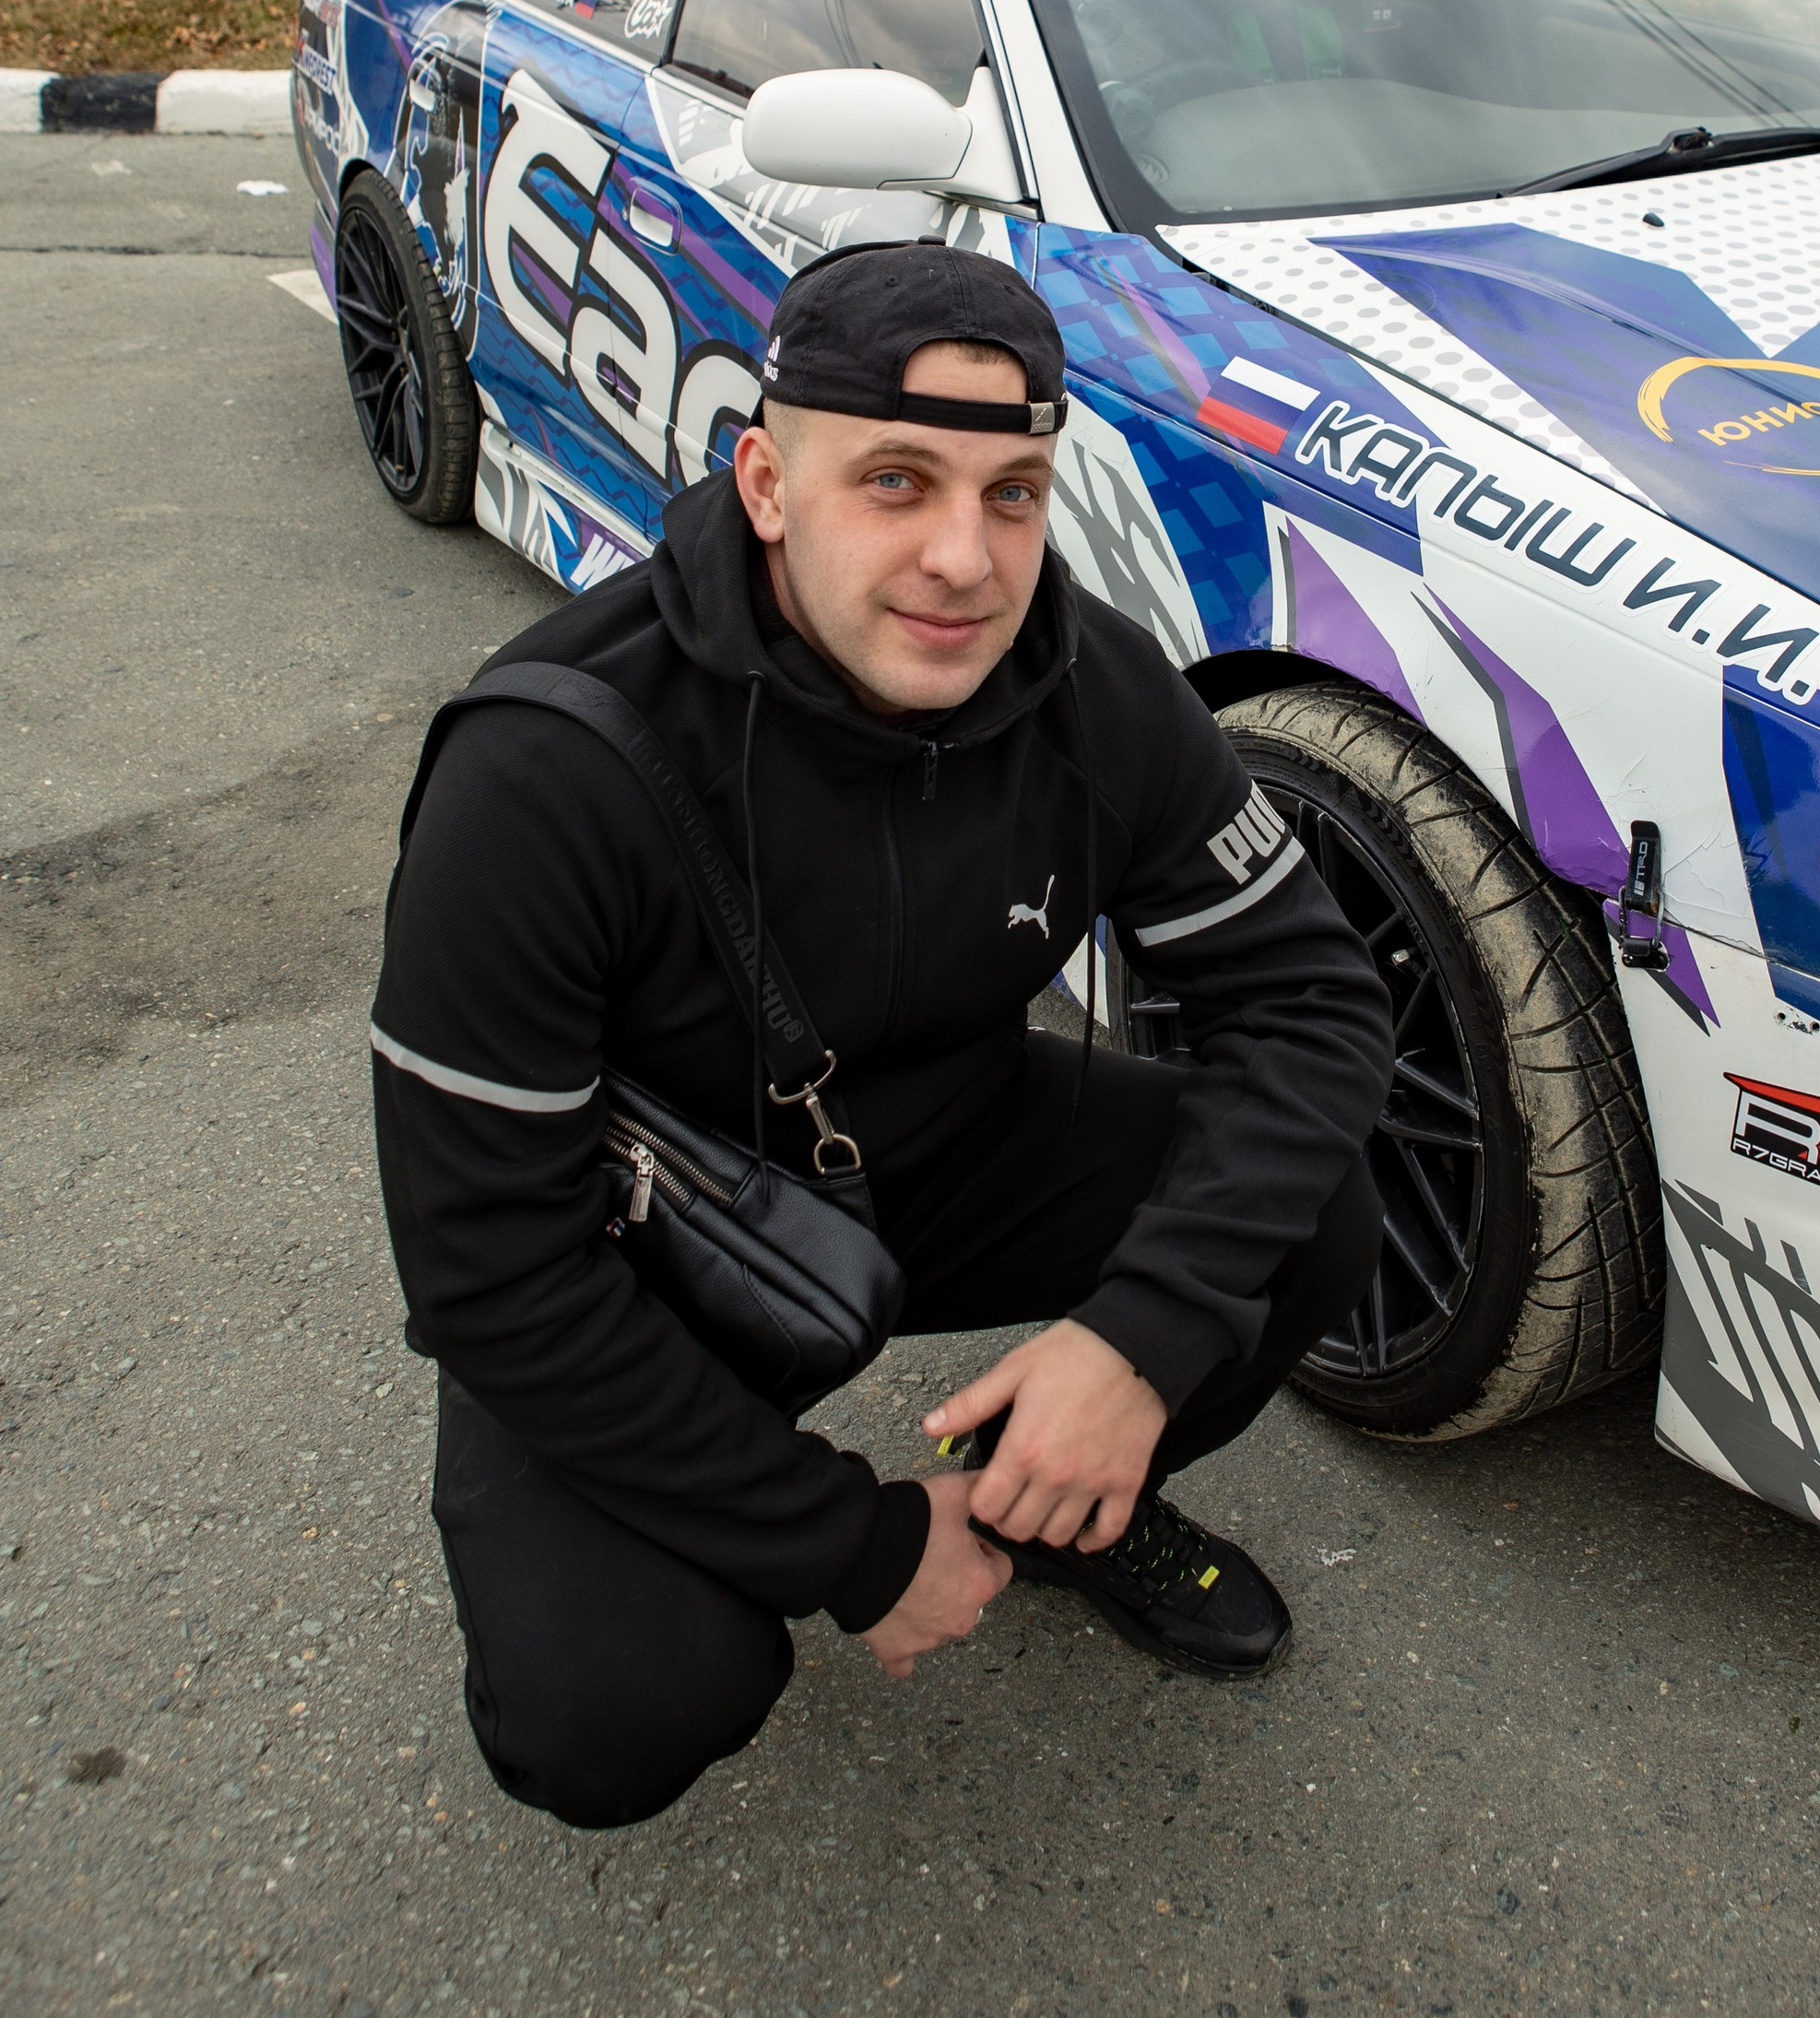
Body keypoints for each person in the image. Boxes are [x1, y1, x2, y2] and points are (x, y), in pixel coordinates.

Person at [372, 238, 1393, 1832]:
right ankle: (793, 1529)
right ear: (768, 484)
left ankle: (1066, 1505)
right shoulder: (544, 764)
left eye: (1013, 495)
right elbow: (486, 1272)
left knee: (1309, 1214)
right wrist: (855, 1544)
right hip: (646, 1246)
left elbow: (1314, 1000)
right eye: (897, 482)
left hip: (946, 1147)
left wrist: (1139, 1338)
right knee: (614, 1712)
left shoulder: (1095, 689)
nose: (965, 561)